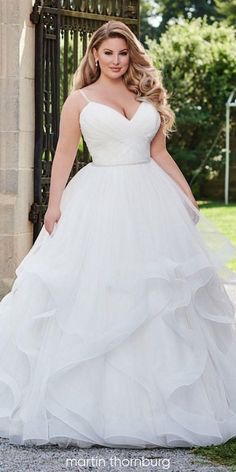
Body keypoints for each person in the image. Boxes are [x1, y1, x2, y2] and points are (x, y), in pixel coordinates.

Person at [0, 20, 236, 450]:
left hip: (151, 200)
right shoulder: (80, 100)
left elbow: (159, 152)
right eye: (107, 53)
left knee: (159, 295)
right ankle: (90, 403)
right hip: (100, 198)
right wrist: (54, 205)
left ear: (131, 56)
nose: (115, 60)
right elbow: (64, 154)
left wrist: (186, 195)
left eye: (122, 53)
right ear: (94, 55)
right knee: (100, 289)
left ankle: (164, 402)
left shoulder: (146, 95)